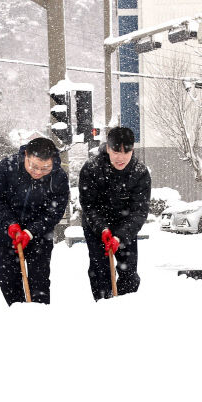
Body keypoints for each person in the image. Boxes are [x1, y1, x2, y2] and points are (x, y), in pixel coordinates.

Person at [0, 137, 69, 306]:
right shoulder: (7, 167)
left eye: (45, 168)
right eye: (34, 166)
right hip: (8, 232)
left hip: (40, 235)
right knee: (7, 280)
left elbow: (55, 211)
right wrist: (10, 222)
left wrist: (31, 231)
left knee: (39, 281)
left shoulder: (59, 177)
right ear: (26, 155)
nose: (38, 172)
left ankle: (39, 317)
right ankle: (18, 313)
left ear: (52, 161)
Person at [78, 126, 151, 301]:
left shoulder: (139, 172)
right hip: (97, 227)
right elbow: (88, 205)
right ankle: (104, 304)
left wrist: (119, 237)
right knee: (100, 271)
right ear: (108, 148)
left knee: (129, 273)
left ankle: (124, 307)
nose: (121, 157)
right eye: (116, 151)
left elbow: (139, 211)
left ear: (132, 150)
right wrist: (102, 229)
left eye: (127, 152)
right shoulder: (92, 168)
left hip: (125, 227)